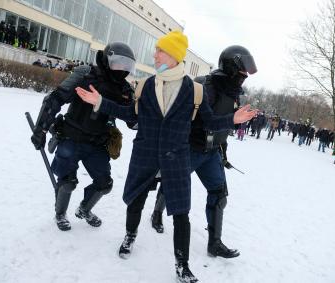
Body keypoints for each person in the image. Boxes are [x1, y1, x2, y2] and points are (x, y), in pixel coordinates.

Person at [75, 32, 258, 283]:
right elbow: (131, 115)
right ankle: (130, 236)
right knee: (136, 201)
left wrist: (232, 120)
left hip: (178, 157)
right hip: (145, 155)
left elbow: (209, 121)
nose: (154, 55)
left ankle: (182, 264)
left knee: (181, 211)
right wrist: (100, 102)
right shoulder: (145, 85)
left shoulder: (195, 91)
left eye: (159, 51)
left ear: (173, 55)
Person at [150, 45, 257, 260]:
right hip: (189, 148)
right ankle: (157, 213)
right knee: (171, 185)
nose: (245, 76)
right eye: (243, 71)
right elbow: (182, 117)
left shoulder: (233, 92)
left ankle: (214, 243)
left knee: (219, 195)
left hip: (211, 152)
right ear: (231, 66)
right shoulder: (204, 85)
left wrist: (224, 145)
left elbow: (225, 124)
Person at [30, 42, 136, 231]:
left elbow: (133, 120)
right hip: (71, 137)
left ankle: (84, 209)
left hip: (97, 144)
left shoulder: (124, 89)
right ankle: (60, 213)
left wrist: (143, 113)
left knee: (105, 184)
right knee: (67, 182)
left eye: (125, 65)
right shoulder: (86, 74)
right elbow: (55, 99)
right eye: (118, 63)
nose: (122, 69)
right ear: (106, 59)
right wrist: (41, 129)